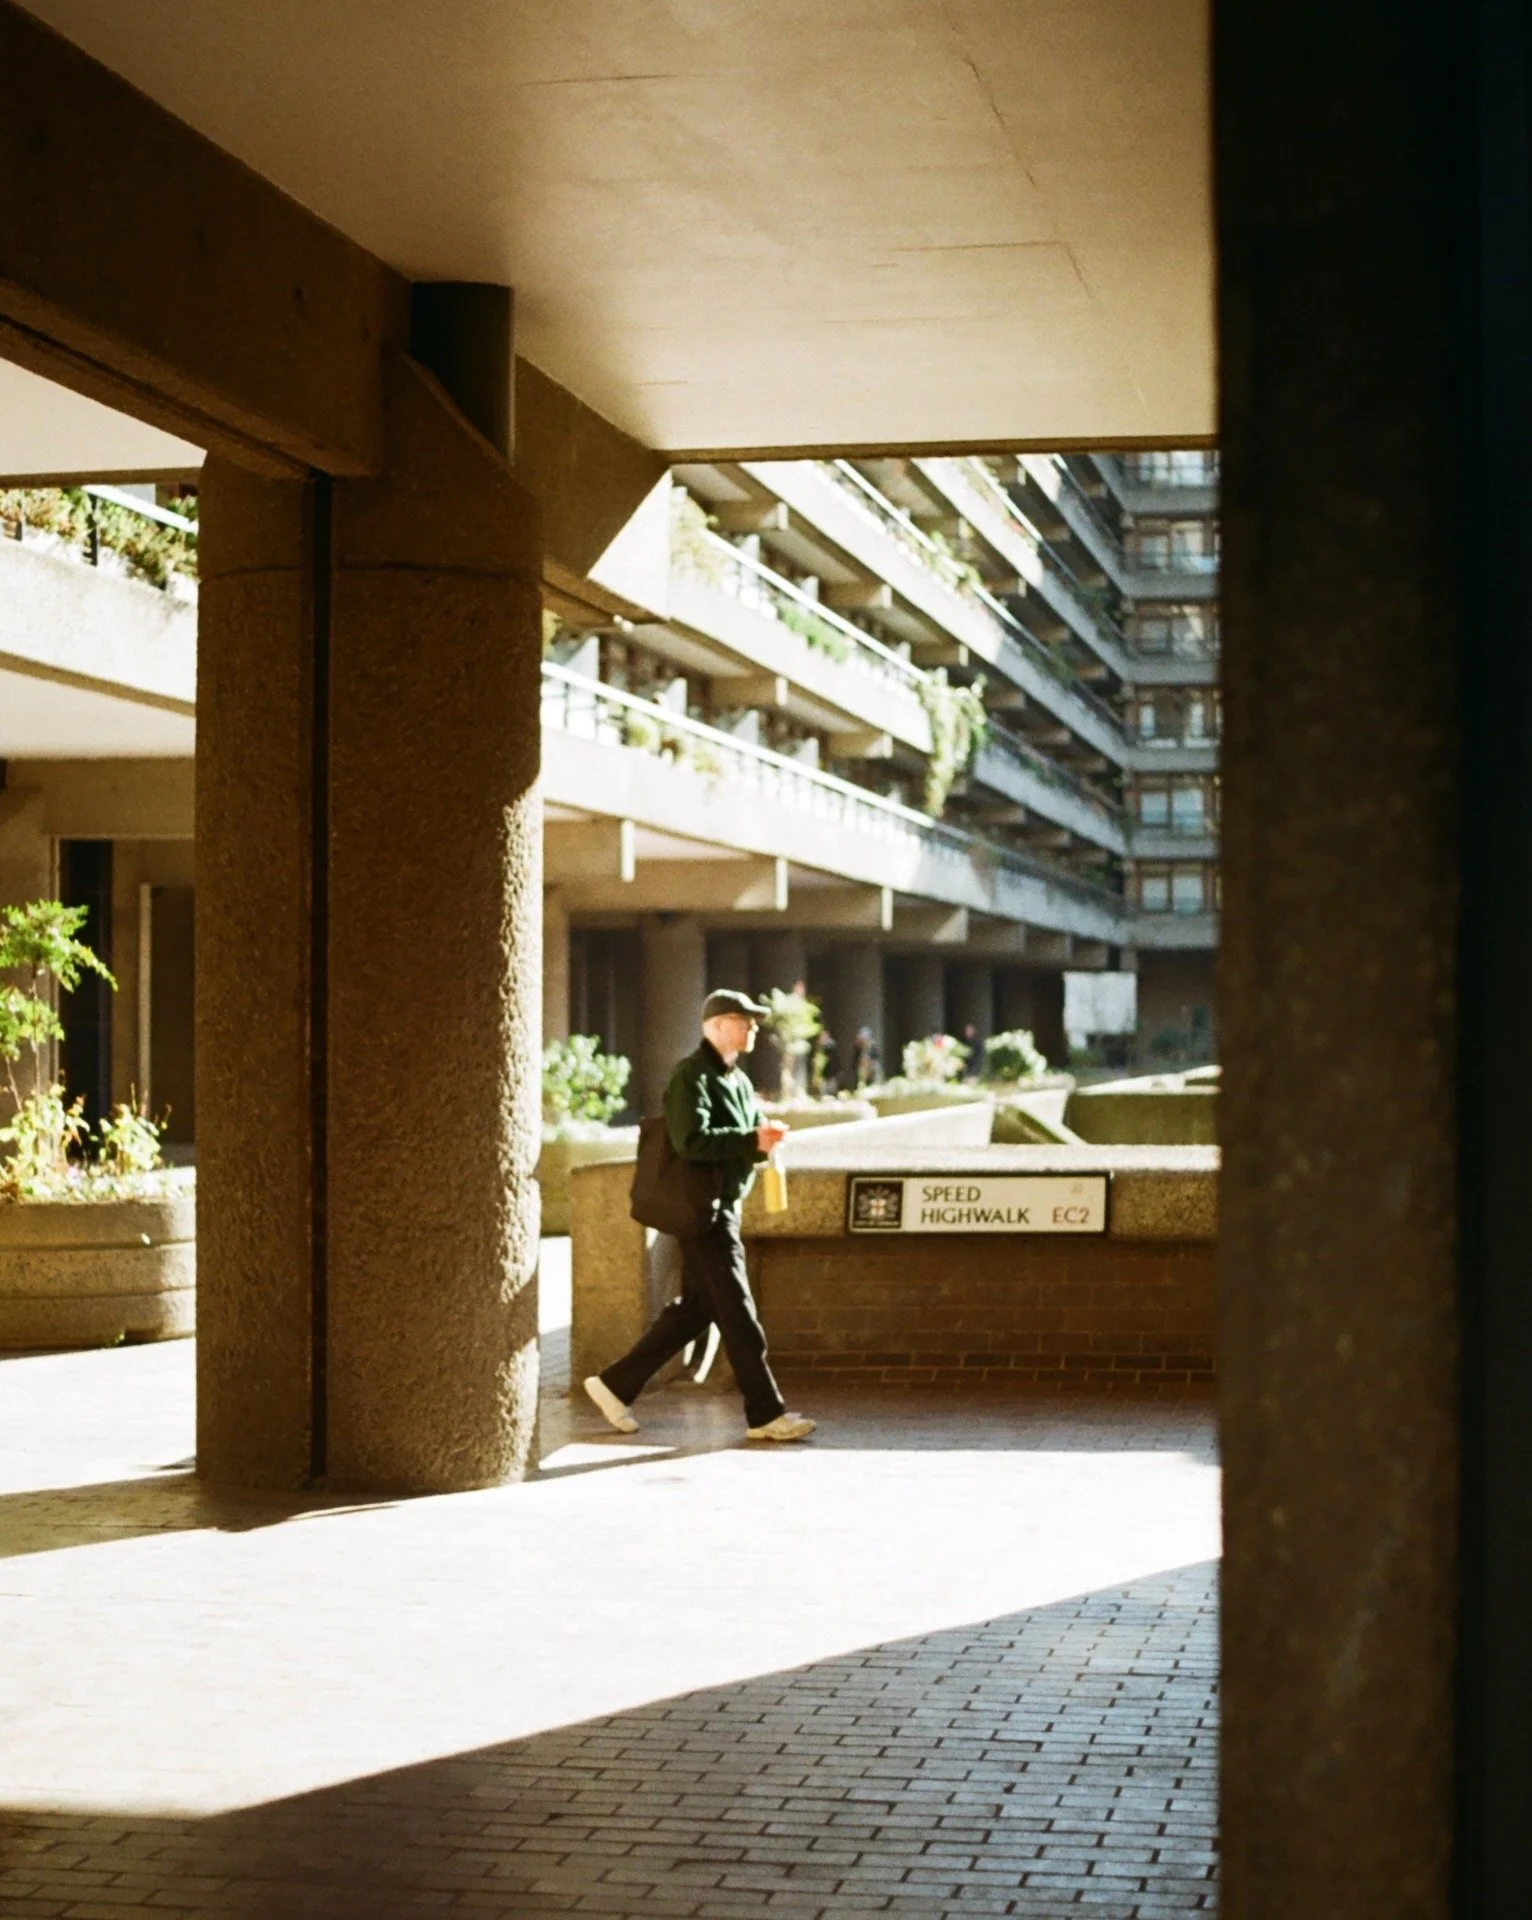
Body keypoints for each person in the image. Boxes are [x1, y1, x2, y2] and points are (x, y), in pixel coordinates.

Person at [583, 989, 816, 1443]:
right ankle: (765, 1413)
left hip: (720, 1206)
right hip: (702, 1212)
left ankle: (614, 1385)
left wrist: (762, 1138)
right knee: (740, 1313)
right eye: (743, 1020)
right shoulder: (691, 1076)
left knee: (696, 1311)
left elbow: (736, 1138)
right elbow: (692, 1141)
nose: (752, 1027)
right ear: (717, 1026)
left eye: (753, 1021)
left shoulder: (737, 1080)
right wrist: (751, 1141)